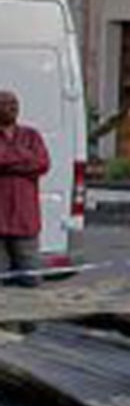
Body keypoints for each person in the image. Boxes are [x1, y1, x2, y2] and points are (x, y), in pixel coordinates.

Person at [0, 91, 50, 287]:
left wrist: (7, 162)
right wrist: (24, 158)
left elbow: (42, 164)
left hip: (25, 220)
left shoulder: (31, 135)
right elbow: (31, 162)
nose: (12, 107)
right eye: (5, 103)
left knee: (32, 280)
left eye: (15, 103)